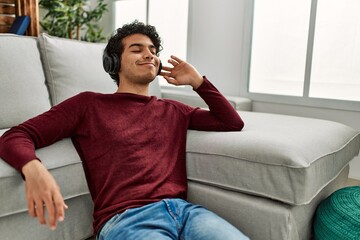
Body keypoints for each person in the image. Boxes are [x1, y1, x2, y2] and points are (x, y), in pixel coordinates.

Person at [0, 21, 248, 240]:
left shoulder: (175, 110)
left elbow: (230, 122)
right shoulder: (88, 105)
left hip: (185, 212)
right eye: (137, 49)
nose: (149, 55)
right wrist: (34, 169)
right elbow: (17, 135)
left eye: (153, 51)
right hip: (127, 218)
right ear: (114, 61)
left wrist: (199, 82)